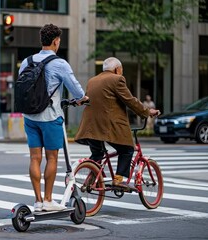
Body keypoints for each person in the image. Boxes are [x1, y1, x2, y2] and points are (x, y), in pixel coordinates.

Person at [18, 23, 88, 212]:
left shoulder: (27, 61)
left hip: (30, 116)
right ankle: (48, 200)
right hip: (50, 117)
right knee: (52, 158)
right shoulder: (59, 63)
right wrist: (82, 99)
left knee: (34, 158)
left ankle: (38, 201)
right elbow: (78, 91)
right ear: (56, 41)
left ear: (42, 40)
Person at [75, 57, 160, 189]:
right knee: (127, 149)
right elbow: (130, 101)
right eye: (121, 70)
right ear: (116, 69)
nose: (122, 73)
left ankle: (92, 176)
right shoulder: (117, 79)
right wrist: (147, 112)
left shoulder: (92, 80)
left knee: (98, 154)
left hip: (90, 126)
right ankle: (118, 180)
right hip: (107, 126)